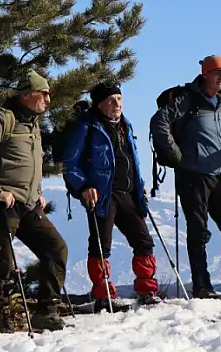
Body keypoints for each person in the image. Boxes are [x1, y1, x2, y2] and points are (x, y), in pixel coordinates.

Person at [0, 70, 69, 332]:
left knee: (55, 248)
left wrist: (37, 192)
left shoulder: (32, 123)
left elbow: (30, 164)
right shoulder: (2, 118)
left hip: (27, 204)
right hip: (1, 202)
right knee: (1, 261)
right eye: (43, 93)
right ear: (26, 94)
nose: (48, 98)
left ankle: (46, 311)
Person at [149, 55, 221, 298]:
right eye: (218, 73)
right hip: (192, 175)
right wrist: (174, 153)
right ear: (205, 73)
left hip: (217, 174)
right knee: (198, 231)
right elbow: (159, 121)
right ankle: (201, 285)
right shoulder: (187, 99)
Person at [61, 82, 159, 309]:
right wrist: (83, 186)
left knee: (143, 241)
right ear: (100, 104)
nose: (117, 104)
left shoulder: (126, 126)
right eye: (111, 100)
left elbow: (131, 159)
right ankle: (103, 296)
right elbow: (70, 164)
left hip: (128, 193)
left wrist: (139, 184)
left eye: (119, 99)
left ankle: (146, 290)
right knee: (100, 245)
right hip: (101, 195)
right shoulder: (87, 127)